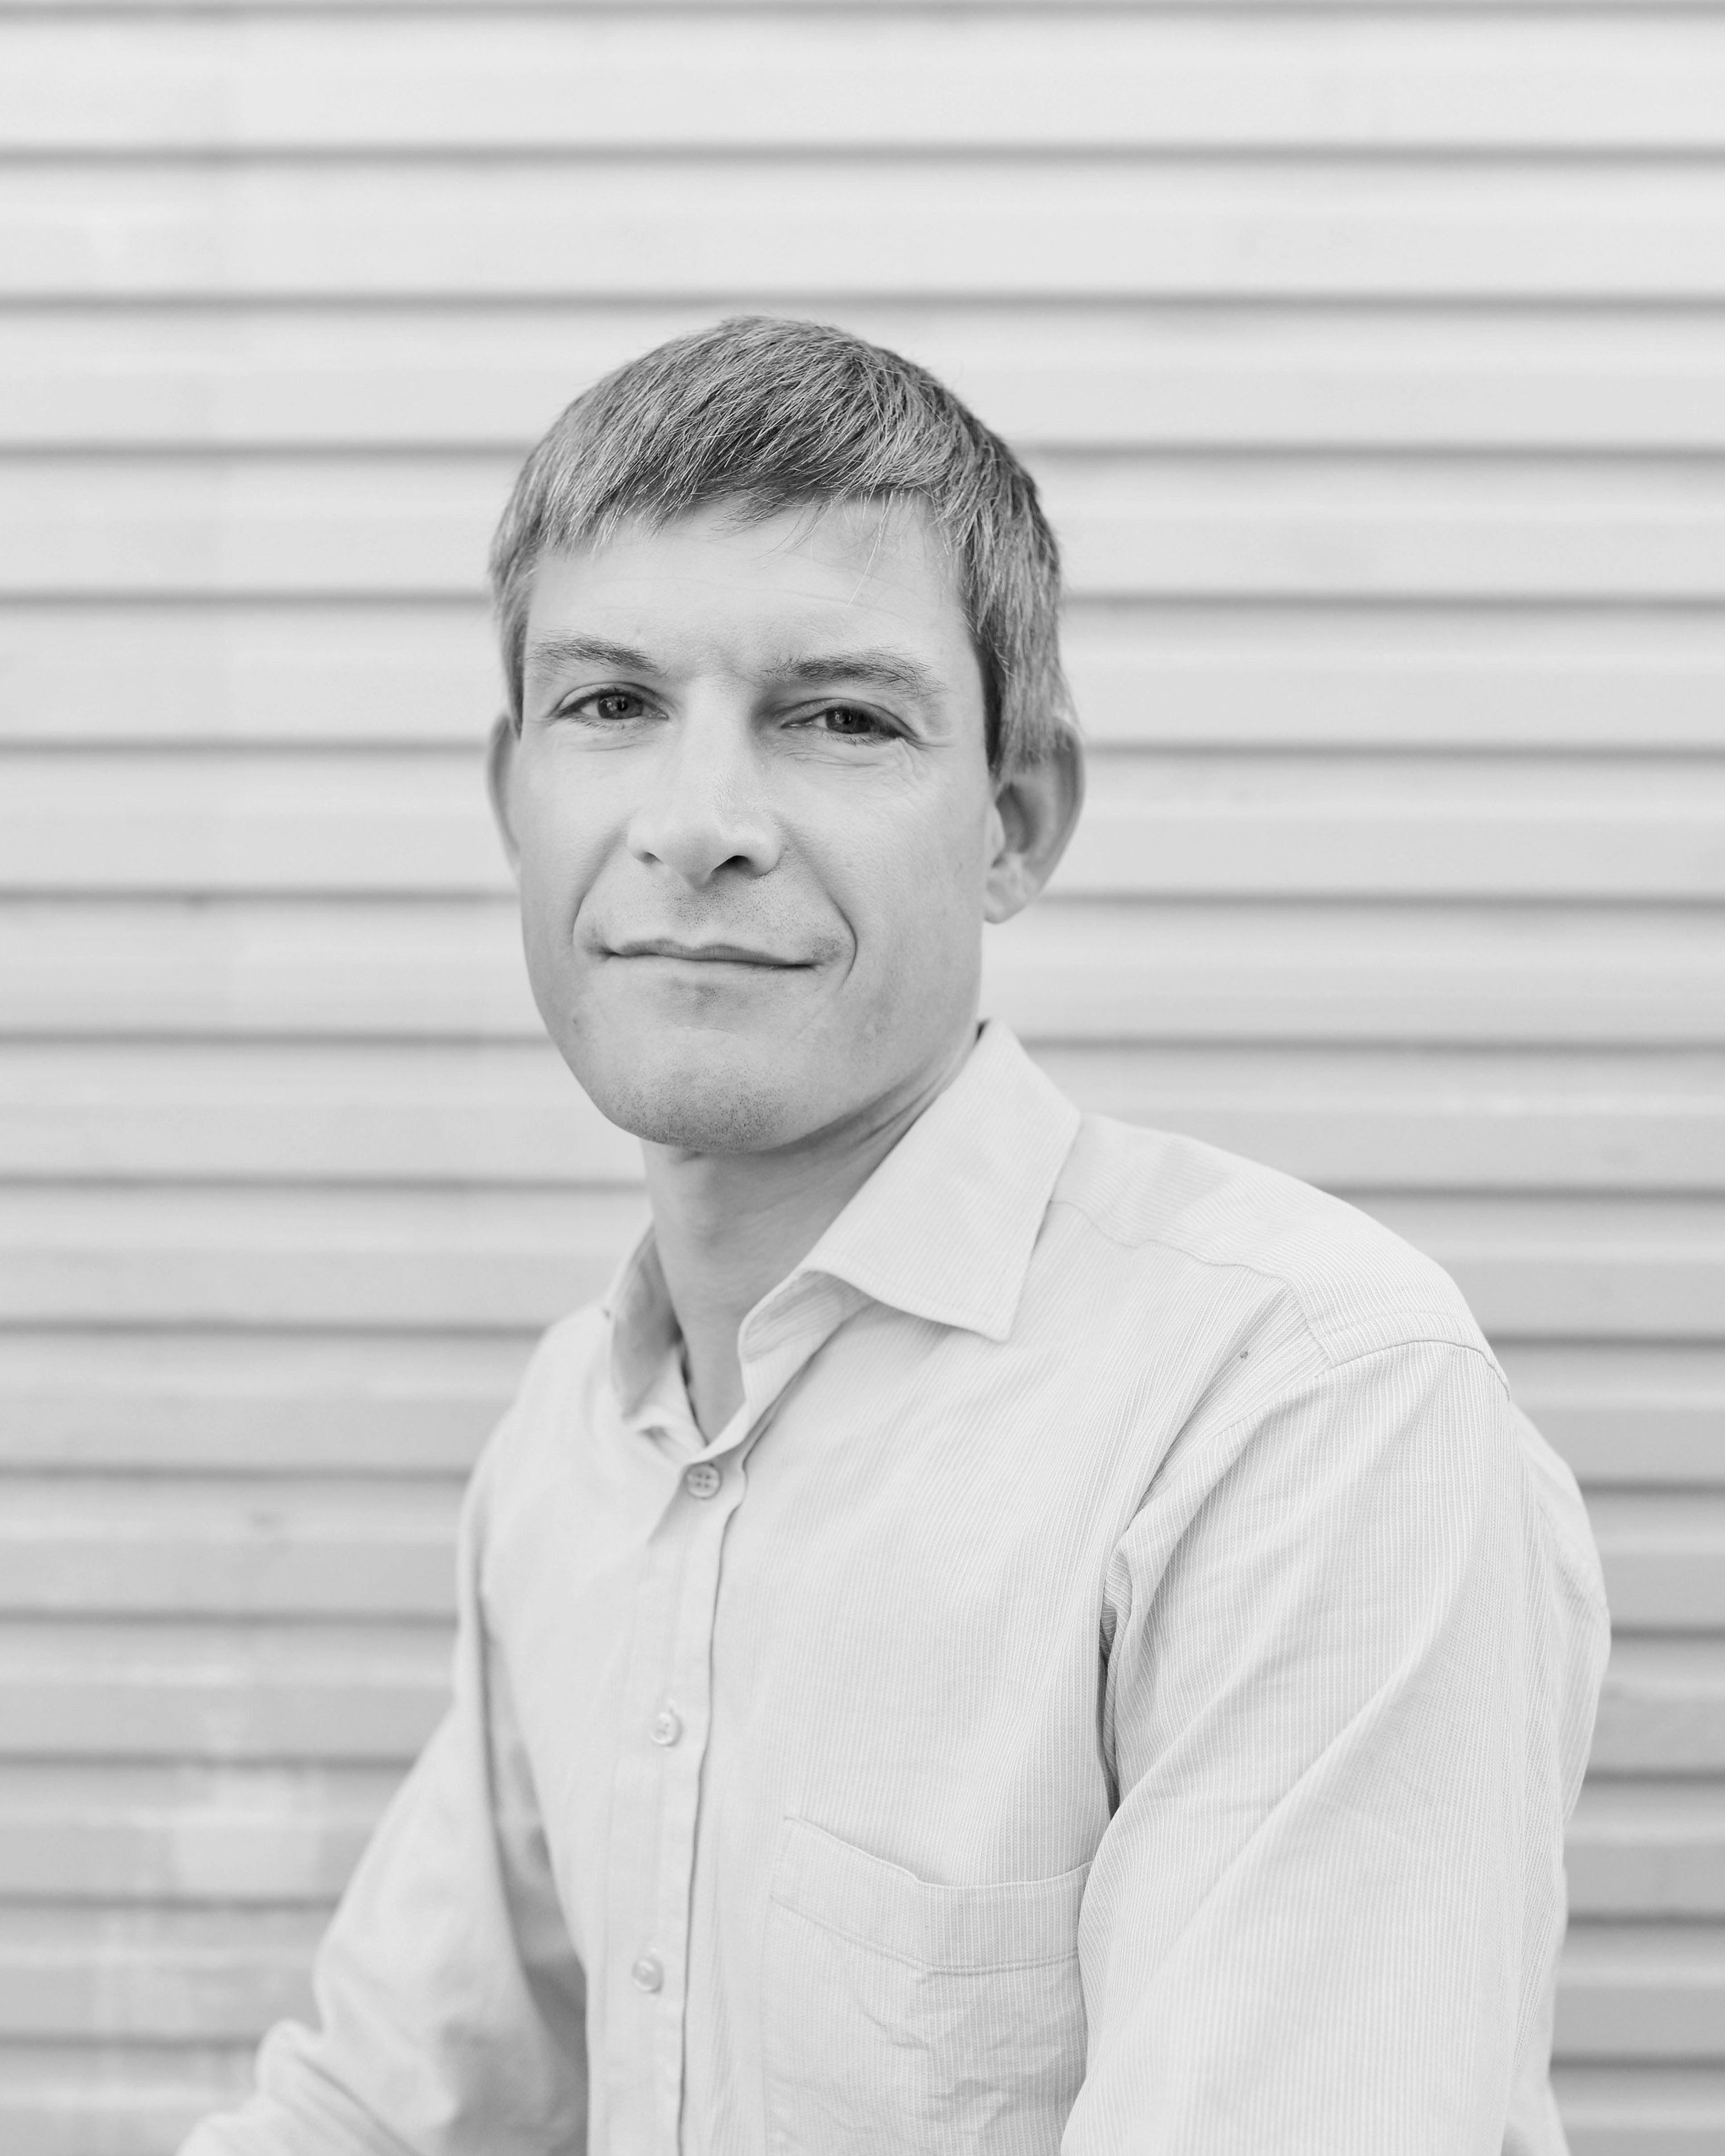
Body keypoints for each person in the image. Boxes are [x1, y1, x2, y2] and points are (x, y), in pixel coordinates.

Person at [182, 316, 1608, 2156]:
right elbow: (397, 2105)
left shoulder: (1298, 1412)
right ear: (510, 794)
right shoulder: (575, 1436)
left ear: (1013, 822)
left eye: (839, 718)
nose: (698, 826)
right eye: (610, 704)